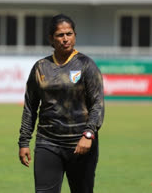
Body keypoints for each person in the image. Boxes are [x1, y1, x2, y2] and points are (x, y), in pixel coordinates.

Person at [18, 14, 105, 193]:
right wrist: (24, 141)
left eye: (69, 33)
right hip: (47, 143)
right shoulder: (40, 67)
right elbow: (30, 106)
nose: (65, 39)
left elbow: (97, 104)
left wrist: (88, 134)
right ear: (51, 38)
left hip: (80, 144)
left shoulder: (86, 65)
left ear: (74, 35)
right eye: (60, 35)